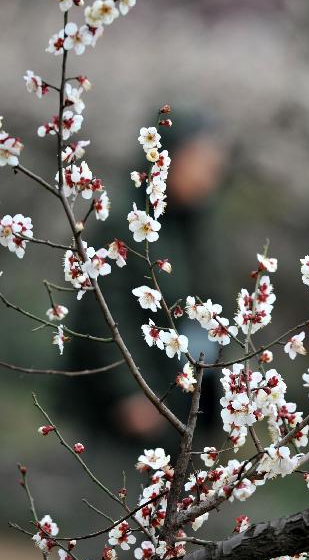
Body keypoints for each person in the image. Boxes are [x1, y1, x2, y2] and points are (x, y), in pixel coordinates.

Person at [59, 111, 230, 446]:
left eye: (215, 166)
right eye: (200, 162)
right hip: (124, 403)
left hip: (180, 390)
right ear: (168, 160)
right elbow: (104, 311)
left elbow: (209, 301)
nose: (209, 176)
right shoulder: (127, 221)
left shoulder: (194, 224)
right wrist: (131, 391)